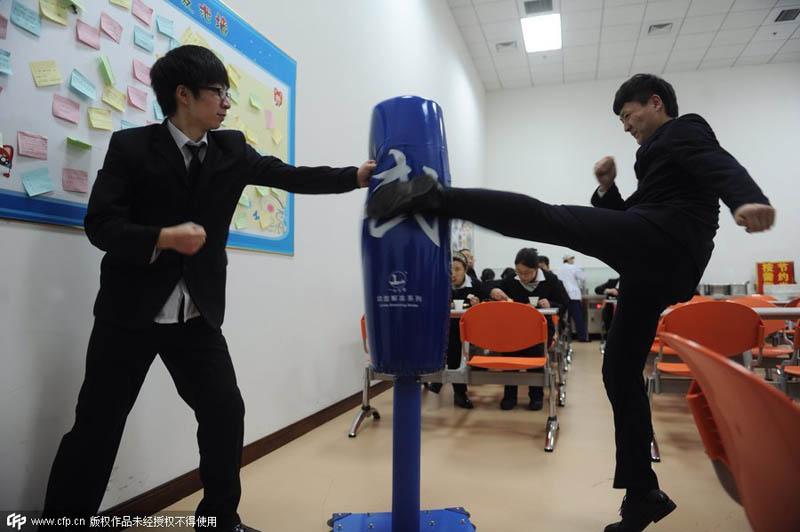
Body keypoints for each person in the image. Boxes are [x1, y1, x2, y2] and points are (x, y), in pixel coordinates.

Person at [366, 73, 775, 532]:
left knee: (551, 220)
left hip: (669, 243)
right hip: (654, 258)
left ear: (655, 103)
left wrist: (747, 199)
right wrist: (606, 190)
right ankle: (643, 494)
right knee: (618, 369)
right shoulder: (656, 161)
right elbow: (631, 217)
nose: (625, 126)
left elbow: (715, 162)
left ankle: (434, 197)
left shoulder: (686, 129)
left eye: (628, 114)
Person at [39, 45, 375, 532]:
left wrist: (354, 176)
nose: (225, 103)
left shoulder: (231, 149)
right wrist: (160, 237)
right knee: (96, 427)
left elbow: (288, 176)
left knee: (224, 411)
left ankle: (219, 520)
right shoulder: (131, 147)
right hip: (127, 315)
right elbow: (101, 225)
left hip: (195, 316)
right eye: (218, 92)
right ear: (183, 94)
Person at [488, 248, 569, 410]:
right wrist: (493, 291)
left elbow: (564, 303)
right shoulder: (512, 279)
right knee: (510, 360)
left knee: (535, 359)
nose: (523, 277)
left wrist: (551, 304)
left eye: (527, 273)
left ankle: (536, 396)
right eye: (519, 272)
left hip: (540, 329)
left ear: (537, 268)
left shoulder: (551, 280)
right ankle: (509, 396)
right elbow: (487, 287)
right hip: (514, 328)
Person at [429, 252, 487, 408]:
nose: (453, 274)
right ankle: (457, 392)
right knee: (451, 346)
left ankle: (440, 382)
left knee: (453, 347)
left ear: (465, 269)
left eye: (457, 269)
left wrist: (478, 305)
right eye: (450, 270)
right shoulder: (440, 284)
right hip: (447, 328)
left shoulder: (475, 285)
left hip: (471, 329)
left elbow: (486, 306)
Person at [558, 254, 589, 342]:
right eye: (572, 259)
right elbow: (583, 277)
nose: (573, 261)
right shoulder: (573, 267)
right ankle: (582, 338)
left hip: (564, 296)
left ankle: (566, 338)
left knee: (566, 319)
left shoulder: (560, 268)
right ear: (568, 260)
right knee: (578, 318)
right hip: (573, 296)